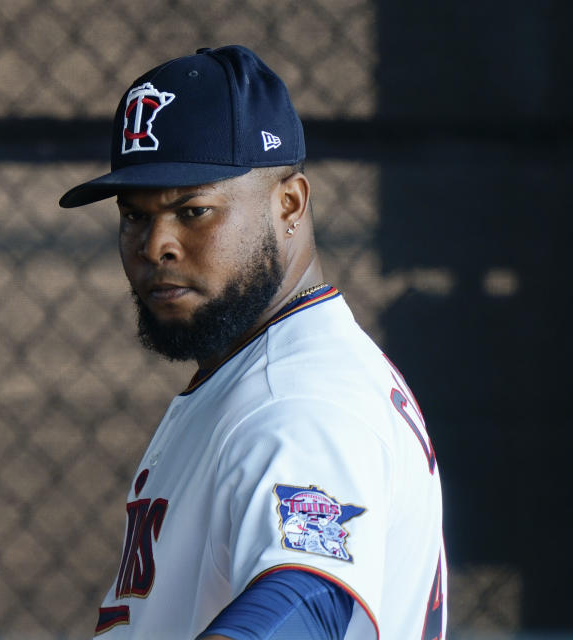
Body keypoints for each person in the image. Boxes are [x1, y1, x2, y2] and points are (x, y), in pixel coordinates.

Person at [59, 46, 446, 640]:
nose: (155, 243)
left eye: (193, 210)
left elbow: (306, 602)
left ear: (288, 203)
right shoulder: (267, 369)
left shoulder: (298, 401)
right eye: (134, 215)